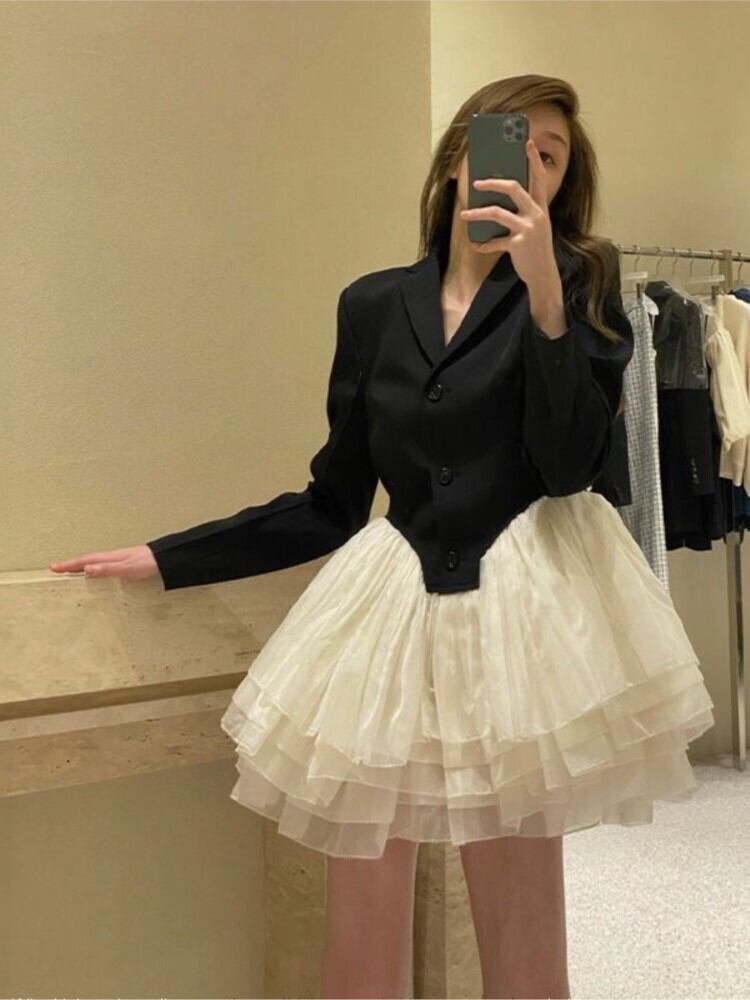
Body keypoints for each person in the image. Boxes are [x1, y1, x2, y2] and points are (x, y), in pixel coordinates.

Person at [49, 74, 715, 1000]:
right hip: (389, 622)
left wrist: (545, 299)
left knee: (524, 946)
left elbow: (571, 468)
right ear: (458, 159)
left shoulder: (582, 291)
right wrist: (168, 558)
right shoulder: (371, 305)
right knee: (358, 934)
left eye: (550, 157)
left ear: (564, 186)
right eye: (510, 141)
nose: (527, 164)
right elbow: (332, 498)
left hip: (522, 628)